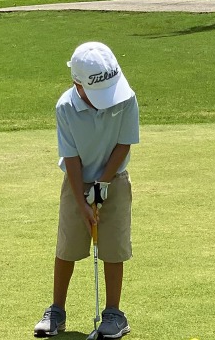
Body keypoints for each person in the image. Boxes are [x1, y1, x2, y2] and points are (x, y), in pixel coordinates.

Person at [34, 42, 139, 338]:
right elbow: (71, 157)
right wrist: (82, 202)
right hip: (75, 180)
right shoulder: (65, 107)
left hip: (114, 180)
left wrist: (104, 183)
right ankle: (57, 310)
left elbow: (124, 143)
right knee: (67, 245)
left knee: (112, 247)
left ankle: (114, 314)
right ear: (77, 84)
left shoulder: (126, 98)